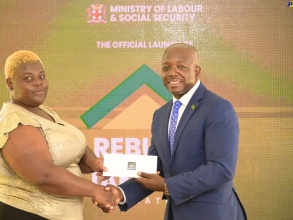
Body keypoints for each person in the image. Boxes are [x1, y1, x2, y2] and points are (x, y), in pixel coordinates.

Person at [98, 43, 247, 219]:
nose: (172, 73)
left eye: (181, 67)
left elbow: (221, 169)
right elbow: (155, 169)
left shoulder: (218, 107)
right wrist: (121, 193)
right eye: (166, 68)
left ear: (197, 71)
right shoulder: (160, 115)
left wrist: (168, 185)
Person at [0, 50, 116, 220]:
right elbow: (44, 175)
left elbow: (69, 150)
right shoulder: (15, 121)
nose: (38, 83)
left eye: (41, 76)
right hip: (25, 214)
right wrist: (95, 190)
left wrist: (93, 162)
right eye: (28, 78)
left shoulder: (43, 112)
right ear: (10, 83)